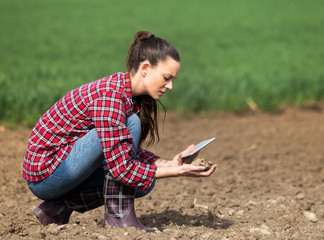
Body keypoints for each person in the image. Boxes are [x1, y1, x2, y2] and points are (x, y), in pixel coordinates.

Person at [23, 31, 217, 232]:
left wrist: (169, 163)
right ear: (145, 68)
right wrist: (177, 172)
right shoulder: (112, 96)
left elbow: (120, 146)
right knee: (132, 134)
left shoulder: (126, 95)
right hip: (47, 176)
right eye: (166, 78)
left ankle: (56, 209)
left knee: (144, 182)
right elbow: (121, 169)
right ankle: (118, 218)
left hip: (62, 168)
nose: (170, 86)